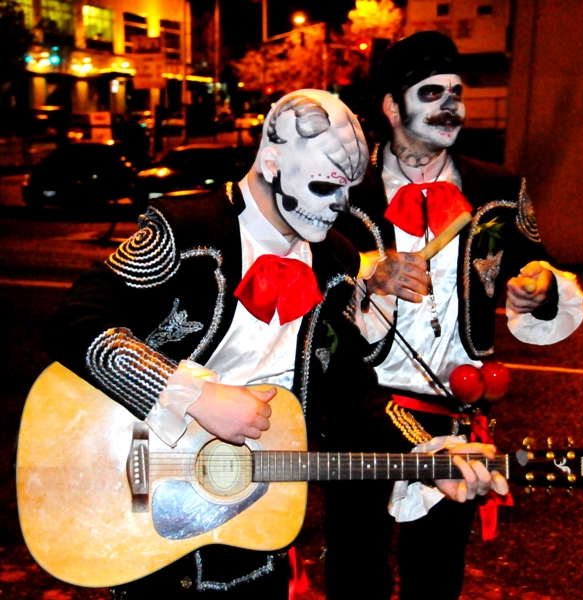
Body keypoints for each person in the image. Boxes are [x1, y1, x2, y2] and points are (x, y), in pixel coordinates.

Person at [45, 88, 508, 599]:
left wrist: (427, 451)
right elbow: (76, 322)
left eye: (346, 192)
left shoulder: (333, 259)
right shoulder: (186, 232)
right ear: (271, 162)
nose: (337, 208)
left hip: (254, 533)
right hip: (151, 517)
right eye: (323, 187)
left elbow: (350, 387)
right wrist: (193, 396)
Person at [328, 32, 583, 600]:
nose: (450, 105)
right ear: (391, 106)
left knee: (437, 572)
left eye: (456, 92)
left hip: (455, 414)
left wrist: (538, 289)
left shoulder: (498, 189)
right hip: (361, 411)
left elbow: (536, 264)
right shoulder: (346, 190)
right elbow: (309, 281)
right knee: (356, 568)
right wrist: (370, 275)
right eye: (431, 93)